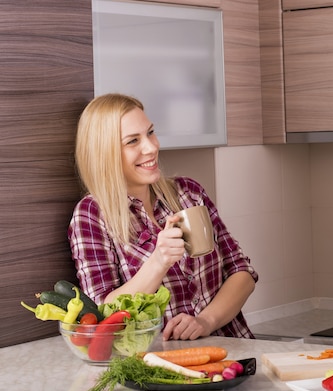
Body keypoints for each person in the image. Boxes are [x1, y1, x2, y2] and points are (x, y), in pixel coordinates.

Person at [68, 93, 258, 341]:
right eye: (133, 141)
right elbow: (103, 311)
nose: (152, 146)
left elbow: (242, 273)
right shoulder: (91, 216)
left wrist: (206, 321)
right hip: (160, 364)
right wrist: (159, 261)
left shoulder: (188, 193)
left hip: (235, 352)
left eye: (150, 132)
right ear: (104, 153)